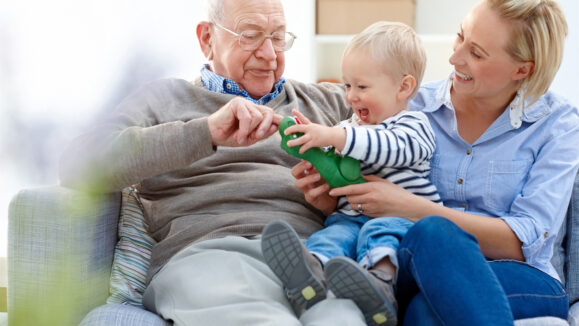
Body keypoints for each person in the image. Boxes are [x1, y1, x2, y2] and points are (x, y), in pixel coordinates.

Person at [59, 0, 369, 325]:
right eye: (250, 36)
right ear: (207, 38)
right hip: (208, 257)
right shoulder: (162, 100)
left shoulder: (331, 102)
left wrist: (336, 201)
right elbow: (78, 164)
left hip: (311, 257)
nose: (269, 54)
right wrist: (205, 132)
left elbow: (405, 150)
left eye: (278, 38)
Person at [292, 0, 579, 324]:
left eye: (477, 53)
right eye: (460, 37)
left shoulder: (558, 124)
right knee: (422, 302)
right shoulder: (408, 103)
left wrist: (410, 206)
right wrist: (332, 198)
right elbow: (364, 168)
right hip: (417, 264)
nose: (454, 57)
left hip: (519, 276)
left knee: (431, 244)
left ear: (522, 69)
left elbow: (523, 241)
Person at [260, 21, 441, 326]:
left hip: (401, 220)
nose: (351, 97)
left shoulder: (414, 125)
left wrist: (336, 138)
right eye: (347, 86)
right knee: (332, 235)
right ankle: (310, 273)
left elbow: (392, 148)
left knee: (378, 235)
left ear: (404, 87)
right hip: (349, 216)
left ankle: (381, 285)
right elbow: (332, 153)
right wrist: (311, 143)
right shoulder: (349, 128)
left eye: (362, 86)